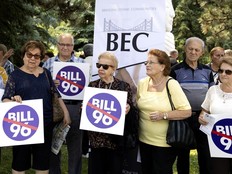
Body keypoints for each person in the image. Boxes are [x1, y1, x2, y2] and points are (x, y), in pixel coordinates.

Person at [1, 40, 70, 174]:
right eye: (29, 55)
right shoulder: (15, 75)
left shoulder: (46, 73)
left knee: (43, 165)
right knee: (19, 165)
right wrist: (13, 100)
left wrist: (66, 113)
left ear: (41, 57)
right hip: (23, 126)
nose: (32, 58)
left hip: (45, 125)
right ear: (23, 56)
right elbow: (5, 99)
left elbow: (56, 93)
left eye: (36, 56)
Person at [136, 49, 191, 174]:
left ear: (162, 66)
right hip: (143, 140)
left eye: (151, 62)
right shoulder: (142, 83)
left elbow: (186, 111)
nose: (147, 65)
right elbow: (138, 105)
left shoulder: (172, 84)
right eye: (146, 62)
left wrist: (164, 115)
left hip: (164, 143)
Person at [170, 37, 215, 174]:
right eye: (190, 49)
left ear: (202, 52)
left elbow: (211, 94)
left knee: (205, 155)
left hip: (203, 117)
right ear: (185, 49)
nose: (193, 52)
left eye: (197, 50)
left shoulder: (207, 71)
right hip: (183, 119)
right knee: (183, 155)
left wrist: (206, 112)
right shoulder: (175, 70)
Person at [43, 33, 85, 174]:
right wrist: (50, 84)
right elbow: (42, 86)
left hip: (75, 107)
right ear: (57, 45)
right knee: (53, 146)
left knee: (75, 147)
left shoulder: (82, 64)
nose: (65, 47)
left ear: (73, 46)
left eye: (68, 45)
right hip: (54, 108)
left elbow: (88, 88)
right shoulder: (48, 63)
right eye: (62, 44)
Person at [87, 51, 133, 174]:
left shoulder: (123, 86)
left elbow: (131, 111)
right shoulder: (92, 86)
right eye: (99, 65)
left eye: (105, 66)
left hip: (115, 142)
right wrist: (84, 109)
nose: (101, 69)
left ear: (114, 69)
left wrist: (128, 107)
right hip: (96, 141)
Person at [199, 56, 232, 174]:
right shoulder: (212, 90)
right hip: (217, 144)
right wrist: (202, 117)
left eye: (228, 71)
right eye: (220, 70)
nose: (223, 74)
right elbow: (205, 110)